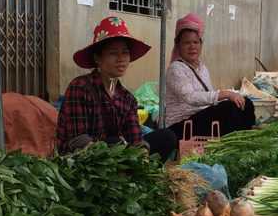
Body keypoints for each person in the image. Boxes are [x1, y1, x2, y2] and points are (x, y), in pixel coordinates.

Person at [56, 16, 178, 161]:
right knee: (115, 143)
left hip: (117, 157)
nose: (121, 59)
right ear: (98, 58)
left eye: (125, 53)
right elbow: (77, 140)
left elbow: (135, 139)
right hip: (82, 160)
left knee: (167, 137)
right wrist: (118, 150)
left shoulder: (127, 98)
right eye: (113, 53)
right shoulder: (80, 88)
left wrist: (141, 153)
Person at [165, 13, 255, 137]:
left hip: (201, 118)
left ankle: (245, 139)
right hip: (182, 126)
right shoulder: (175, 68)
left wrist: (231, 97)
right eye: (187, 43)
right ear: (178, 46)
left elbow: (209, 97)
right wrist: (226, 94)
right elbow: (191, 97)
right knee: (229, 109)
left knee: (245, 103)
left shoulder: (202, 68)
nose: (192, 47)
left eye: (196, 42)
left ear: (201, 45)